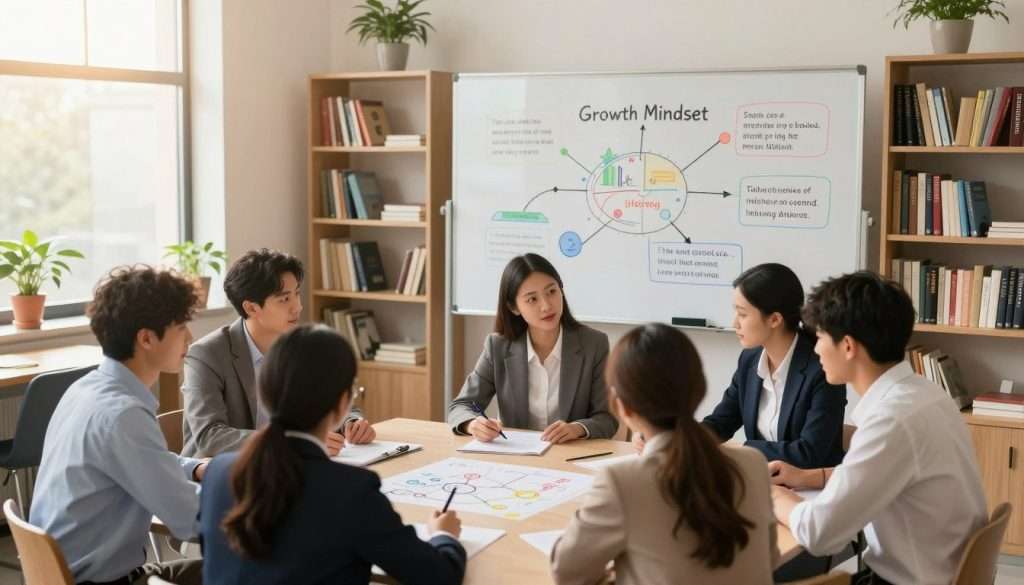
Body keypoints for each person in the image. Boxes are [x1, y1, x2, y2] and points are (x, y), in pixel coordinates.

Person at [200, 325, 466, 584]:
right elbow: (438, 575)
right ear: (343, 403)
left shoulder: (218, 472)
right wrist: (444, 535)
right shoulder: (352, 491)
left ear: (265, 393)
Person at [771, 271, 987, 585]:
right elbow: (882, 472)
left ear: (847, 346)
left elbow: (820, 534)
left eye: (819, 338)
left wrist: (774, 497)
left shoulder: (891, 420)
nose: (815, 350)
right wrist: (809, 477)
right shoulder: (923, 394)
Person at [551, 323, 777, 585]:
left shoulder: (621, 481)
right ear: (699, 388)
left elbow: (567, 572)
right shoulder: (754, 464)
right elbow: (767, 559)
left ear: (621, 407)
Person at [30, 267, 206, 584]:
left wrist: (194, 469)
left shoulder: (85, 389)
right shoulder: (124, 415)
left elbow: (144, 461)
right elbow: (190, 518)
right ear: (146, 338)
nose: (190, 338)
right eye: (182, 327)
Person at [182, 248, 374, 457]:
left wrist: (351, 422)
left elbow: (333, 399)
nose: (298, 307)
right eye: (284, 299)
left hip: (286, 468)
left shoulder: (302, 346)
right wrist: (291, 442)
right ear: (251, 308)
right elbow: (210, 437)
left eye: (297, 294)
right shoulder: (206, 355)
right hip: (222, 474)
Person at [447, 253, 617, 443]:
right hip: (517, 459)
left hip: (570, 457)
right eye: (532, 299)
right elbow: (461, 406)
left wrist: (578, 428)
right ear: (514, 307)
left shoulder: (593, 344)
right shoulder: (498, 347)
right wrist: (472, 424)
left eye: (551, 292)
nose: (546, 306)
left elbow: (607, 418)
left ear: (561, 290)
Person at [699, 263, 847, 468]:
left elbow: (809, 453)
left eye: (742, 314)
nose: (735, 323)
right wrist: (674, 440)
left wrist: (743, 450)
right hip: (765, 483)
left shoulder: (823, 368)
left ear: (775, 319)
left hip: (813, 490)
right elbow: (720, 422)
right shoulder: (749, 360)